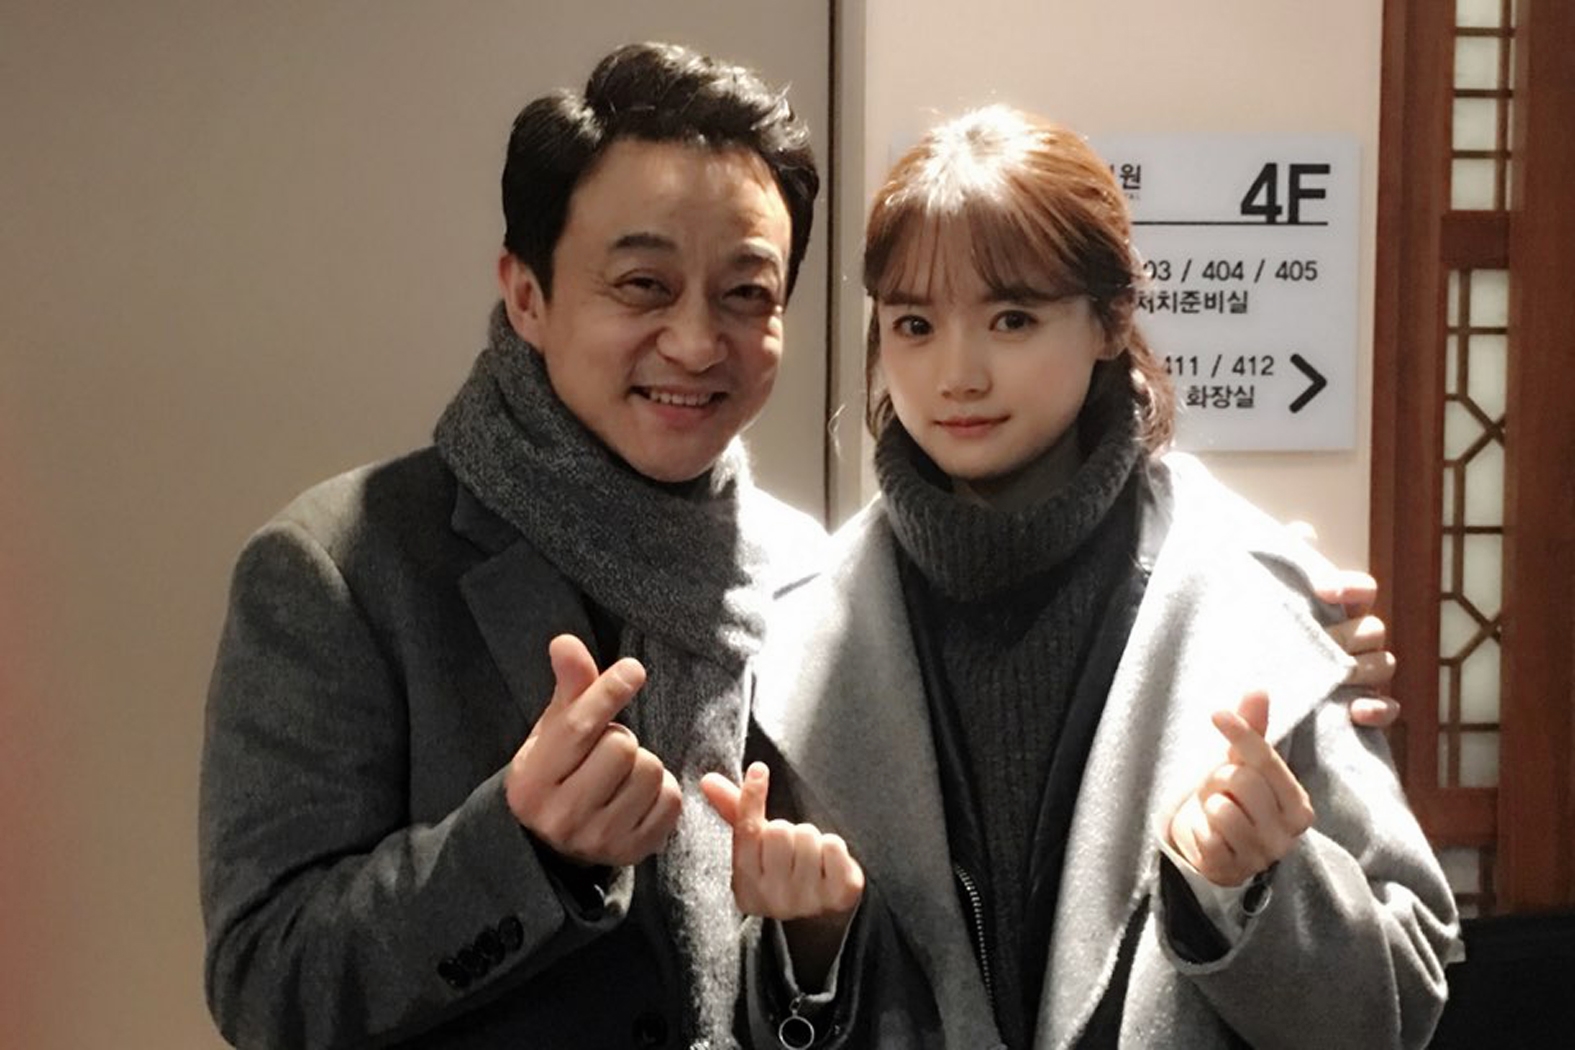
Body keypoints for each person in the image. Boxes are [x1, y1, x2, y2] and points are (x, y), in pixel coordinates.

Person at [704, 107, 1460, 1049]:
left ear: (1110, 321)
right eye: (914, 323)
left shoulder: (1261, 599)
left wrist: (1261, 891)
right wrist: (810, 950)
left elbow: (1398, 1007)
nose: (956, 374)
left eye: (1012, 319)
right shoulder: (796, 634)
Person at [198, 42, 825, 1049]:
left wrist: (821, 941)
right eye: (643, 284)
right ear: (527, 296)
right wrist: (522, 847)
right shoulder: (341, 568)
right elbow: (267, 983)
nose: (697, 342)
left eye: (747, 294)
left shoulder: (805, 573)